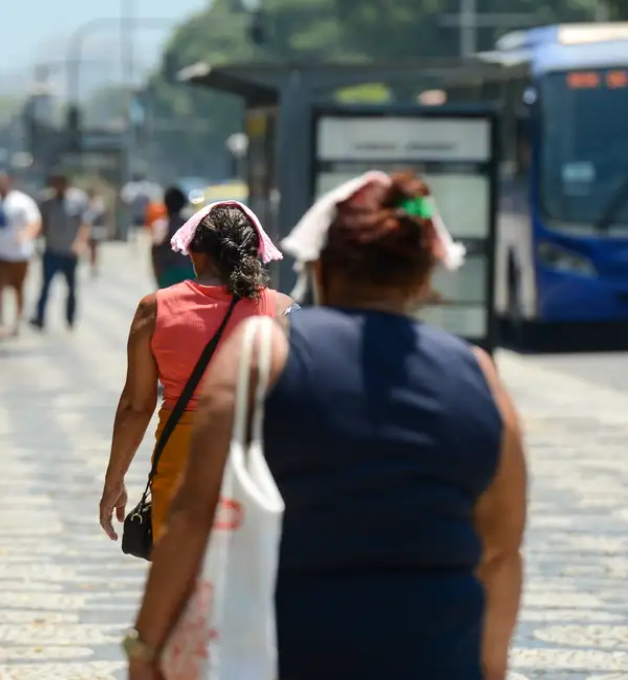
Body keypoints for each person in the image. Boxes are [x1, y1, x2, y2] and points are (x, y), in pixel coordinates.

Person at [123, 171, 527, 680]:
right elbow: (501, 551)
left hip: (293, 648)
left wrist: (146, 649)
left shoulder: (262, 356)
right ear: (425, 276)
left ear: (319, 264)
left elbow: (191, 516)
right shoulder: (479, 374)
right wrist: (490, 667)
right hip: (436, 651)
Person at [99, 200, 295, 544]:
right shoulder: (282, 309)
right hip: (256, 463)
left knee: (181, 580)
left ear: (195, 252)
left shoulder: (154, 309)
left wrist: (114, 481)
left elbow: (136, 406)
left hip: (181, 462)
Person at [0, 170, 42, 340]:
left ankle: (17, 321)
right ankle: (0, 324)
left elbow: (34, 222)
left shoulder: (23, 202)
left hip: (19, 255)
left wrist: (26, 235)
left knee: (18, 289)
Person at [31, 172, 90, 332]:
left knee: (71, 288)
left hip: (69, 252)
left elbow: (84, 224)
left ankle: (70, 318)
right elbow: (42, 224)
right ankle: (39, 318)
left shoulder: (78, 200)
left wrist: (80, 243)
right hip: (52, 250)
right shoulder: (47, 202)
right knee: (45, 286)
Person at [151, 187, 197, 288]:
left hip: (167, 277)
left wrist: (158, 276)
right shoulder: (191, 225)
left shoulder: (160, 226)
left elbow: (155, 250)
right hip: (189, 276)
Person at [85, 187, 109, 276]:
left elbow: (101, 213)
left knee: (94, 248)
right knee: (90, 248)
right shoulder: (84, 202)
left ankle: (94, 265)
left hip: (96, 227)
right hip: (88, 227)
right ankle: (91, 264)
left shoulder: (98, 203)